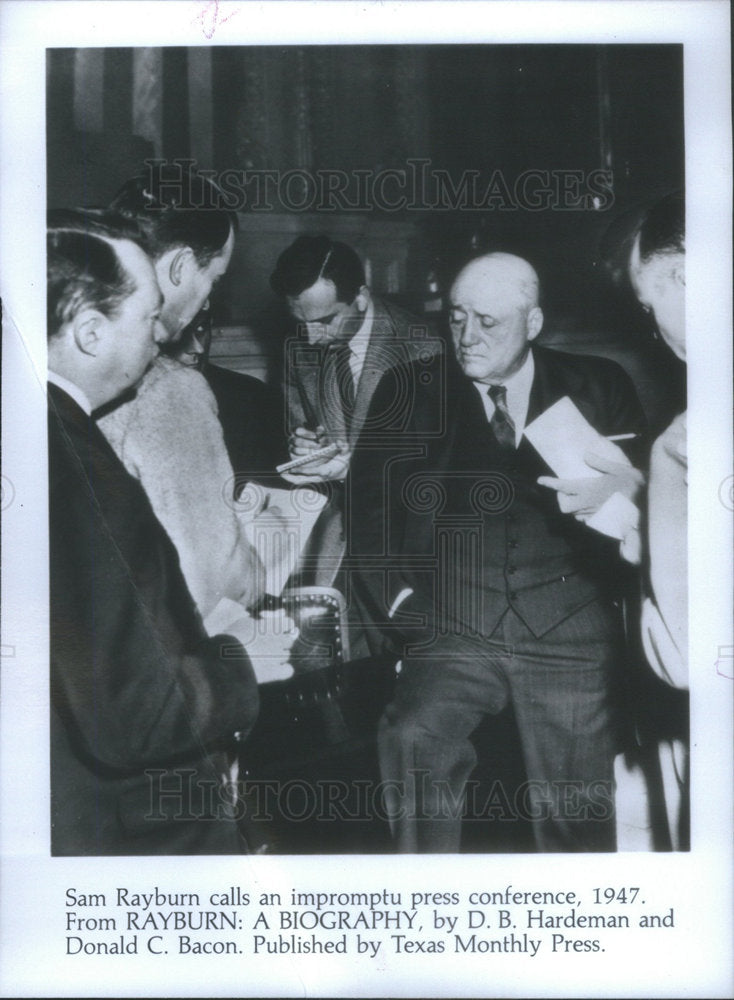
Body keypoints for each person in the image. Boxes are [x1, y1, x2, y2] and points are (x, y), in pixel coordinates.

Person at [349, 252, 647, 852]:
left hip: (570, 627)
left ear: (533, 323)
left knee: (577, 814)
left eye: (488, 322)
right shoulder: (410, 390)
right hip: (454, 625)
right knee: (412, 735)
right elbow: (368, 516)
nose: (467, 337)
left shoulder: (599, 384)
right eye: (457, 318)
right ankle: (423, 907)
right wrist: (406, 609)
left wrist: (626, 494)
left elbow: (647, 503)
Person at [47, 219, 295, 855]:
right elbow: (135, 714)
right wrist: (243, 658)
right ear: (91, 332)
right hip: (139, 830)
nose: (159, 338)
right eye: (147, 318)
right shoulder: (77, 470)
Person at [97, 167, 265, 620]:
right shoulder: (169, 390)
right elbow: (215, 589)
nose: (208, 302)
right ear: (179, 266)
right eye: (213, 279)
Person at [270, 235, 442, 656]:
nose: (311, 338)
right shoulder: (303, 348)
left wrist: (354, 468)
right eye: (301, 322)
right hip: (336, 531)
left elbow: (431, 471)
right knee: (310, 654)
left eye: (326, 320)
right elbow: (307, 428)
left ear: (362, 298)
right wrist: (306, 442)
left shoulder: (421, 348)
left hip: (403, 543)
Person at [627, 192, 688, 849]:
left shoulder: (682, 441)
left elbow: (684, 656)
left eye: (652, 307)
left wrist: (641, 539)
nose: (656, 332)